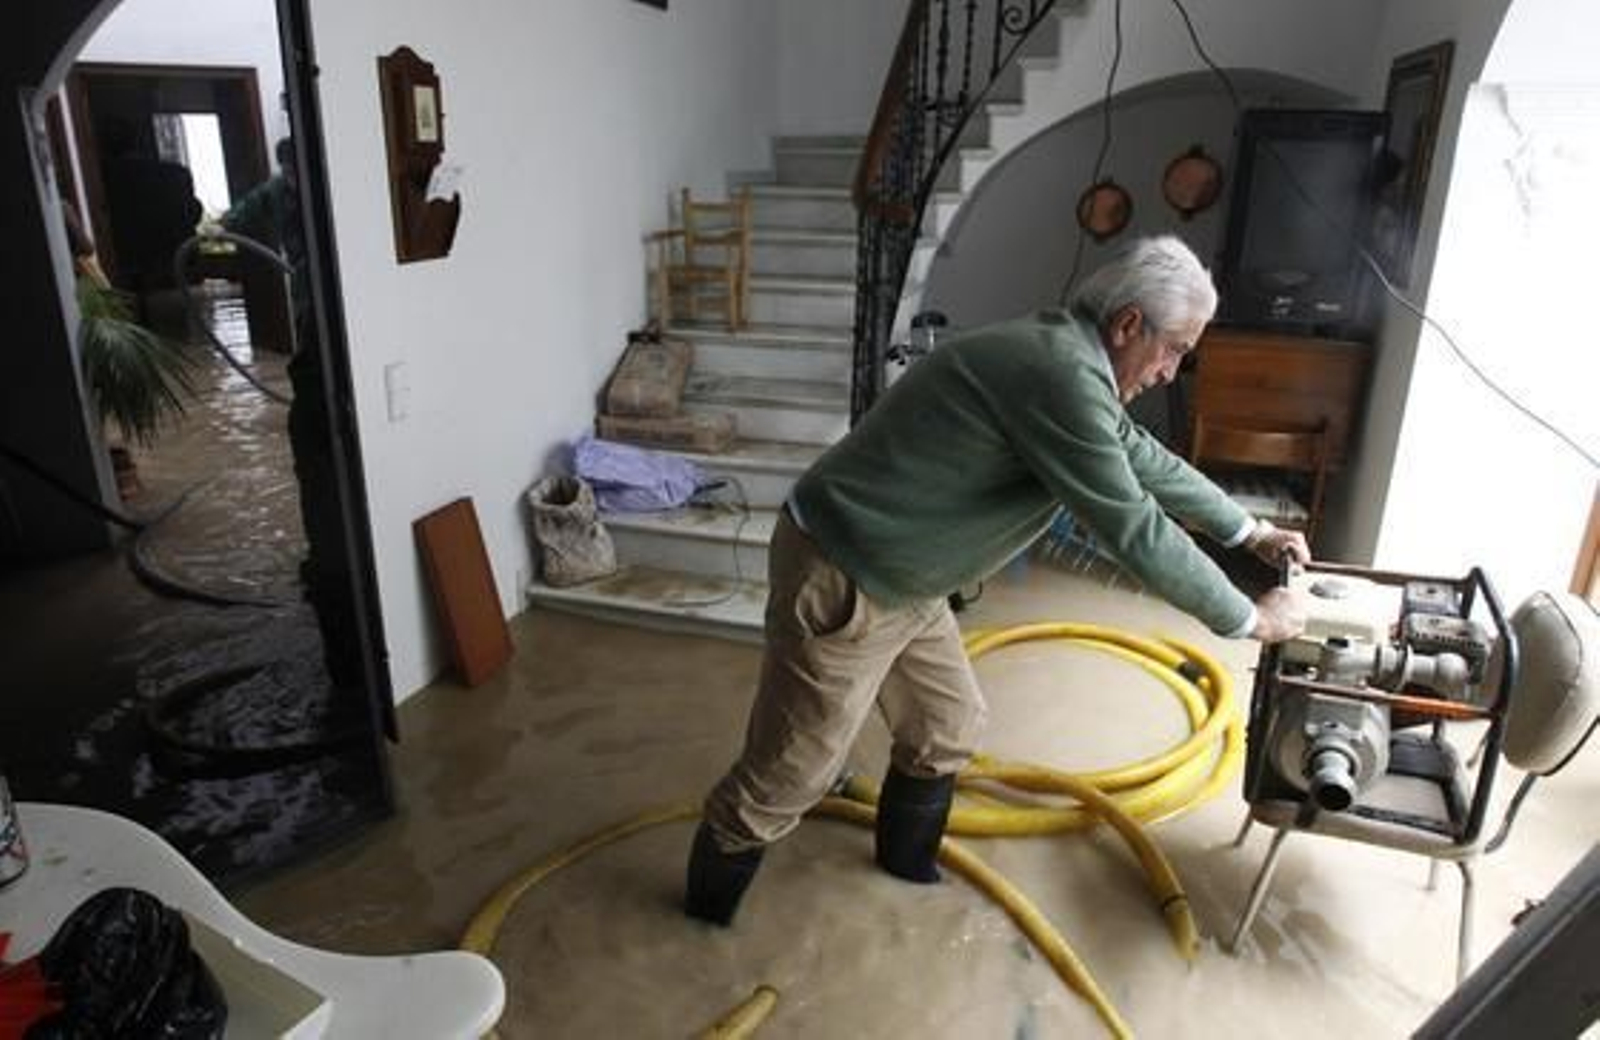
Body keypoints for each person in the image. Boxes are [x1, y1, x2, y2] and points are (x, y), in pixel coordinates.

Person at [684, 235, 1309, 926]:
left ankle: (904, 877)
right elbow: (1134, 527)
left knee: (946, 725)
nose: (1170, 372)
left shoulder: (1071, 358)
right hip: (847, 565)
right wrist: (1252, 620)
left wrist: (1247, 531)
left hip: (909, 576)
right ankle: (699, 924)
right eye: (1174, 350)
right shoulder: (1061, 375)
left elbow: (1143, 459)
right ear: (1130, 324)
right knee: (788, 774)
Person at [223, 138, 362, 691]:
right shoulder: (275, 193)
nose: (296, 178)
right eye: (290, 172)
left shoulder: (332, 190)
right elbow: (234, 219)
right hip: (309, 311)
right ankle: (330, 584)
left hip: (338, 311)